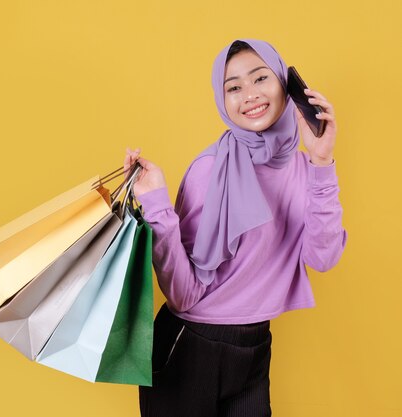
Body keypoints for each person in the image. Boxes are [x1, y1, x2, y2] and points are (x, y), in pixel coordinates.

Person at [123, 38, 348, 417]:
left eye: (261, 78)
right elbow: (183, 294)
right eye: (234, 87)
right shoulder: (210, 169)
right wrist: (157, 203)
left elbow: (323, 258)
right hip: (189, 347)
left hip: (256, 346)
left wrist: (322, 162)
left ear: (285, 86)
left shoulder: (304, 169)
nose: (250, 95)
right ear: (221, 99)